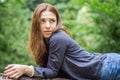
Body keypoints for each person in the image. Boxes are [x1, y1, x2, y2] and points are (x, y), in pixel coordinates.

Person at [4, 3, 120, 80]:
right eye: (42, 21)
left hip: (109, 66)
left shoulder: (57, 38)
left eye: (52, 21)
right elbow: (46, 70)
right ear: (36, 24)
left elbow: (51, 72)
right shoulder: (45, 42)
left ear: (57, 22)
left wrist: (26, 68)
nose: (48, 26)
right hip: (106, 66)